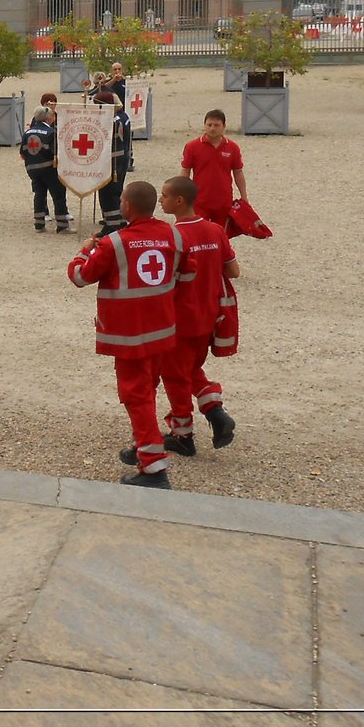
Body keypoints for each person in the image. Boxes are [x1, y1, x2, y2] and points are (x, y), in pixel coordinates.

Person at [66, 181, 183, 489]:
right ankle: (144, 444)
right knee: (148, 388)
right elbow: (187, 272)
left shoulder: (114, 242)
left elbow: (80, 277)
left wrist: (82, 252)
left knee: (136, 395)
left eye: (121, 199)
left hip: (129, 336)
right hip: (162, 329)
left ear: (128, 207)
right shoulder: (173, 234)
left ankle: (153, 466)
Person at [157, 177, 239, 453]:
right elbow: (234, 271)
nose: (160, 200)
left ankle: (182, 435)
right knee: (190, 369)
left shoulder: (173, 236)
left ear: (179, 201)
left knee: (174, 374)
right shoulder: (216, 231)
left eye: (164, 195)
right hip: (209, 315)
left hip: (179, 317)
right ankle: (215, 411)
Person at [179, 109, 248, 232]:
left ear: (224, 126)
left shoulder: (233, 148)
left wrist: (244, 197)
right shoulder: (192, 147)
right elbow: (185, 171)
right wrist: (181, 195)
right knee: (198, 234)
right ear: (204, 125)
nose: (212, 128)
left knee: (221, 235)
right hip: (199, 201)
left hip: (224, 201)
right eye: (209, 125)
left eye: (216, 125)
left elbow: (238, 172)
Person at [19, 107, 70, 232]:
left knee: (39, 194)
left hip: (32, 169)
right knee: (58, 195)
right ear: (48, 118)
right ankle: (62, 224)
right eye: (52, 116)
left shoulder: (27, 133)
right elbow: (56, 152)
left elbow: (22, 153)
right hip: (49, 169)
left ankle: (39, 223)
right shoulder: (51, 133)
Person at [92, 91, 131, 235]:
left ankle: (113, 224)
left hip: (111, 161)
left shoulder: (108, 121)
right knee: (115, 191)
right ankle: (118, 220)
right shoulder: (118, 117)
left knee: (108, 193)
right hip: (119, 158)